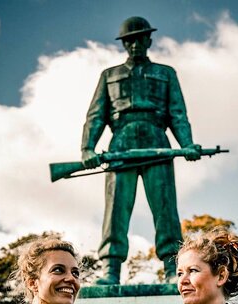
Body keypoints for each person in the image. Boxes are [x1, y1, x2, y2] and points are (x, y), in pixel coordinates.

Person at [81, 16, 202, 285]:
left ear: (149, 40)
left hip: (156, 140)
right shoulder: (109, 76)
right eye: (130, 40)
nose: (135, 44)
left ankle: (173, 269)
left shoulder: (165, 73)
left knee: (165, 207)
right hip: (121, 141)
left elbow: (178, 114)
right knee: (115, 209)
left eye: (140, 38)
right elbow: (96, 116)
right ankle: (110, 269)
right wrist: (87, 148)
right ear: (124, 44)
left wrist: (187, 145)